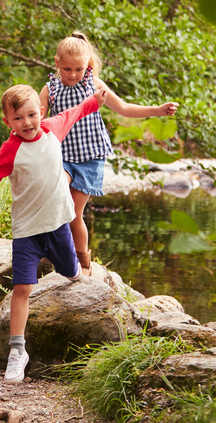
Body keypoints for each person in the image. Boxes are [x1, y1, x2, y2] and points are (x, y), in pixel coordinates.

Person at [0, 83, 108, 384]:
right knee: (22, 288)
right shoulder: (10, 150)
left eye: (31, 115)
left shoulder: (52, 128)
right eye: (18, 118)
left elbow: (75, 112)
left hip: (57, 226)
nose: (27, 123)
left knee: (71, 274)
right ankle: (17, 350)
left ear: (40, 112)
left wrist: (94, 101)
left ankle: (78, 268)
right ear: (8, 122)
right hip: (27, 231)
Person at [40, 31, 178, 275]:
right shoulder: (50, 89)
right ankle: (56, 252)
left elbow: (123, 108)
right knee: (58, 202)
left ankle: (83, 262)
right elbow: (37, 121)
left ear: (88, 66)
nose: (73, 75)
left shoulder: (94, 85)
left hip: (90, 158)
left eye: (79, 69)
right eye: (67, 69)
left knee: (74, 213)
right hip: (62, 157)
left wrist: (157, 110)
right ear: (57, 63)